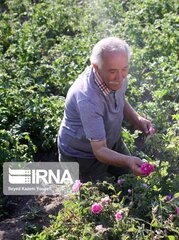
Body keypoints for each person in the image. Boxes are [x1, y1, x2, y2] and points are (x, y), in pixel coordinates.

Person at [57, 37, 153, 182]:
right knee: (96, 197)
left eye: (124, 69)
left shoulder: (116, 75)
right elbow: (100, 150)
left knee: (130, 182)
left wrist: (136, 119)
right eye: (113, 71)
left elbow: (119, 98)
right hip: (83, 155)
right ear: (96, 67)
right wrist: (128, 160)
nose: (120, 78)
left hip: (109, 141)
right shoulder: (87, 98)